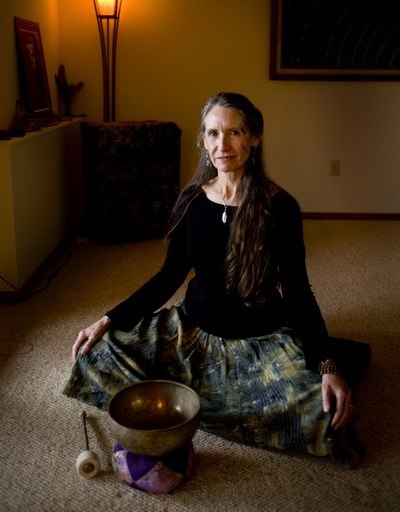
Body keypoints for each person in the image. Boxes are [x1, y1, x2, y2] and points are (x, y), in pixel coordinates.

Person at [64, 92, 371, 467]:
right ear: (203, 141)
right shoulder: (191, 199)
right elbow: (168, 276)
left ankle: (194, 403)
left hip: (258, 339)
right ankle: (212, 400)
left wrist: (327, 365)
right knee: (93, 354)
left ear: (254, 137)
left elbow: (298, 291)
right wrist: (108, 318)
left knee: (327, 418)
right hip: (191, 332)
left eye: (234, 132)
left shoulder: (281, 207)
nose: (222, 144)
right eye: (212, 133)